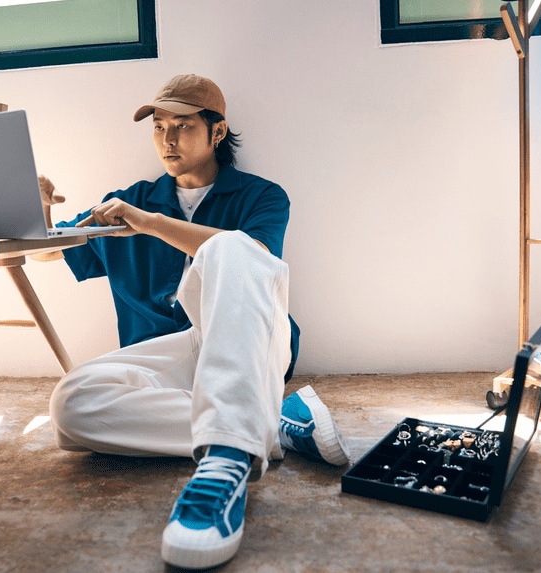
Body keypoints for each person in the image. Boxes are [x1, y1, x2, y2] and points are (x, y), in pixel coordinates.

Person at [45, 74, 350, 569]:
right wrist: (34, 214)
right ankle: (270, 424)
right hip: (174, 356)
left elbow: (255, 258)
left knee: (232, 246)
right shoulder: (129, 196)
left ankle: (227, 460)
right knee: (71, 403)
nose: (166, 139)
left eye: (182, 126)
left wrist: (148, 223)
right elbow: (55, 250)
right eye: (159, 126)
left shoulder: (263, 196)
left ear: (217, 132)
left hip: (252, 345)